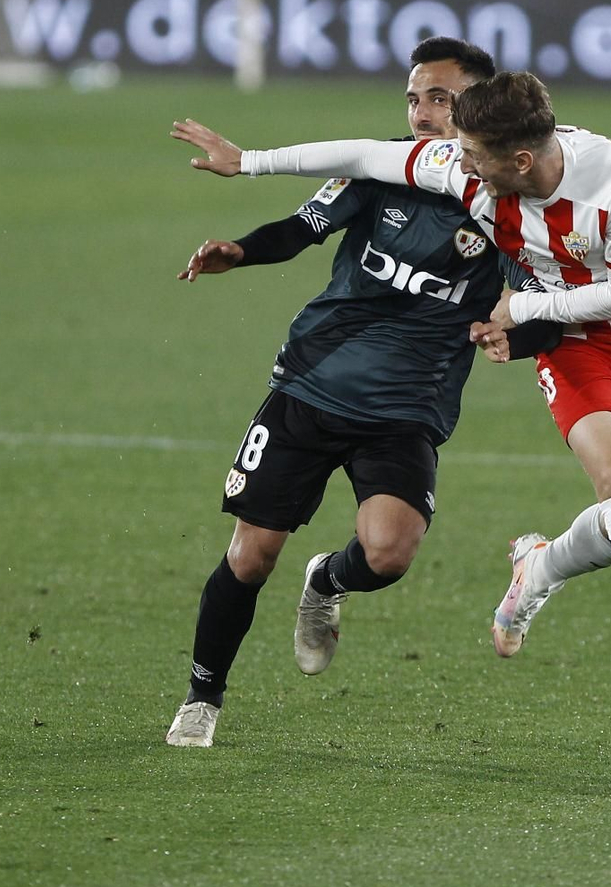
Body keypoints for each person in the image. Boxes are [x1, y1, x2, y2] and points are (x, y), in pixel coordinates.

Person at [172, 70, 611, 710]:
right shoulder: (467, 171)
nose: (458, 156)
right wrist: (248, 162)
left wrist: (521, 311)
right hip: (573, 342)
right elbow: (366, 155)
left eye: (474, 150)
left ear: (521, 159)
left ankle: (540, 567)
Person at [164, 40, 562, 748]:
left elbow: (542, 310)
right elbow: (302, 229)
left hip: (408, 408)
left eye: (440, 99)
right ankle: (203, 697)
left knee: (388, 553)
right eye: (414, 98)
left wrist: (514, 338)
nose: (422, 113)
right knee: (250, 557)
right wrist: (242, 251)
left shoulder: (505, 203)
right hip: (311, 385)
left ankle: (327, 582)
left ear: (477, 107)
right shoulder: (382, 170)